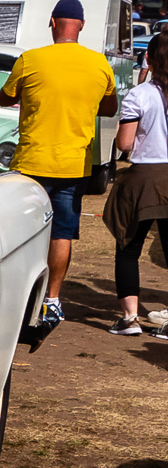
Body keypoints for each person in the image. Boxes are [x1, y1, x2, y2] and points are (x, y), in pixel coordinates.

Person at [0, 0, 120, 324]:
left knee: (23, 231)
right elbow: (110, 108)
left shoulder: (31, 59)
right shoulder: (99, 65)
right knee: (62, 232)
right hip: (73, 165)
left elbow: (5, 96)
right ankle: (52, 298)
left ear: (52, 22)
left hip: (30, 162)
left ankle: (19, 295)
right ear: (81, 25)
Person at [104, 32, 168, 336]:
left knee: (128, 248)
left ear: (151, 60)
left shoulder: (139, 94)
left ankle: (130, 318)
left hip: (145, 178)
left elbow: (126, 143)